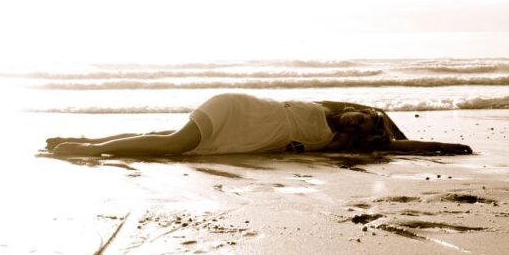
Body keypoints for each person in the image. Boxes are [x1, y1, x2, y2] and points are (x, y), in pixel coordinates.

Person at [46, 93, 472, 157]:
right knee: (174, 142)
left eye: (360, 121)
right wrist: (387, 122)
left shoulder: (335, 143)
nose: (354, 115)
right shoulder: (326, 108)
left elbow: (397, 148)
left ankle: (85, 140)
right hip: (237, 109)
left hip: (243, 134)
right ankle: (89, 149)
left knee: (166, 138)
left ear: (358, 132)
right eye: (358, 113)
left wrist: (445, 147)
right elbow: (376, 113)